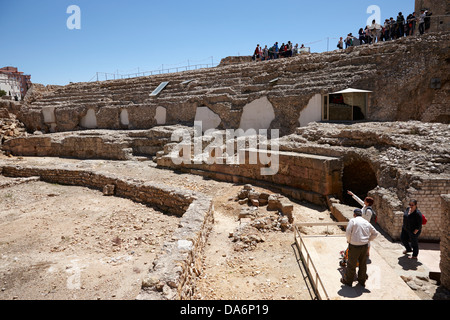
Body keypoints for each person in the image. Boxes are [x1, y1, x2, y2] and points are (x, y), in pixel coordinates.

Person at [341, 209, 379, 287]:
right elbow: (375, 233)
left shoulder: (353, 221)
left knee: (351, 264)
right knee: (362, 263)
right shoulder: (366, 222)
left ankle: (348, 281)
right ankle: (362, 281)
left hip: (354, 245)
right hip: (364, 246)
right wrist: (368, 240)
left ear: (354, 214)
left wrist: (349, 241)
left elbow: (348, 232)